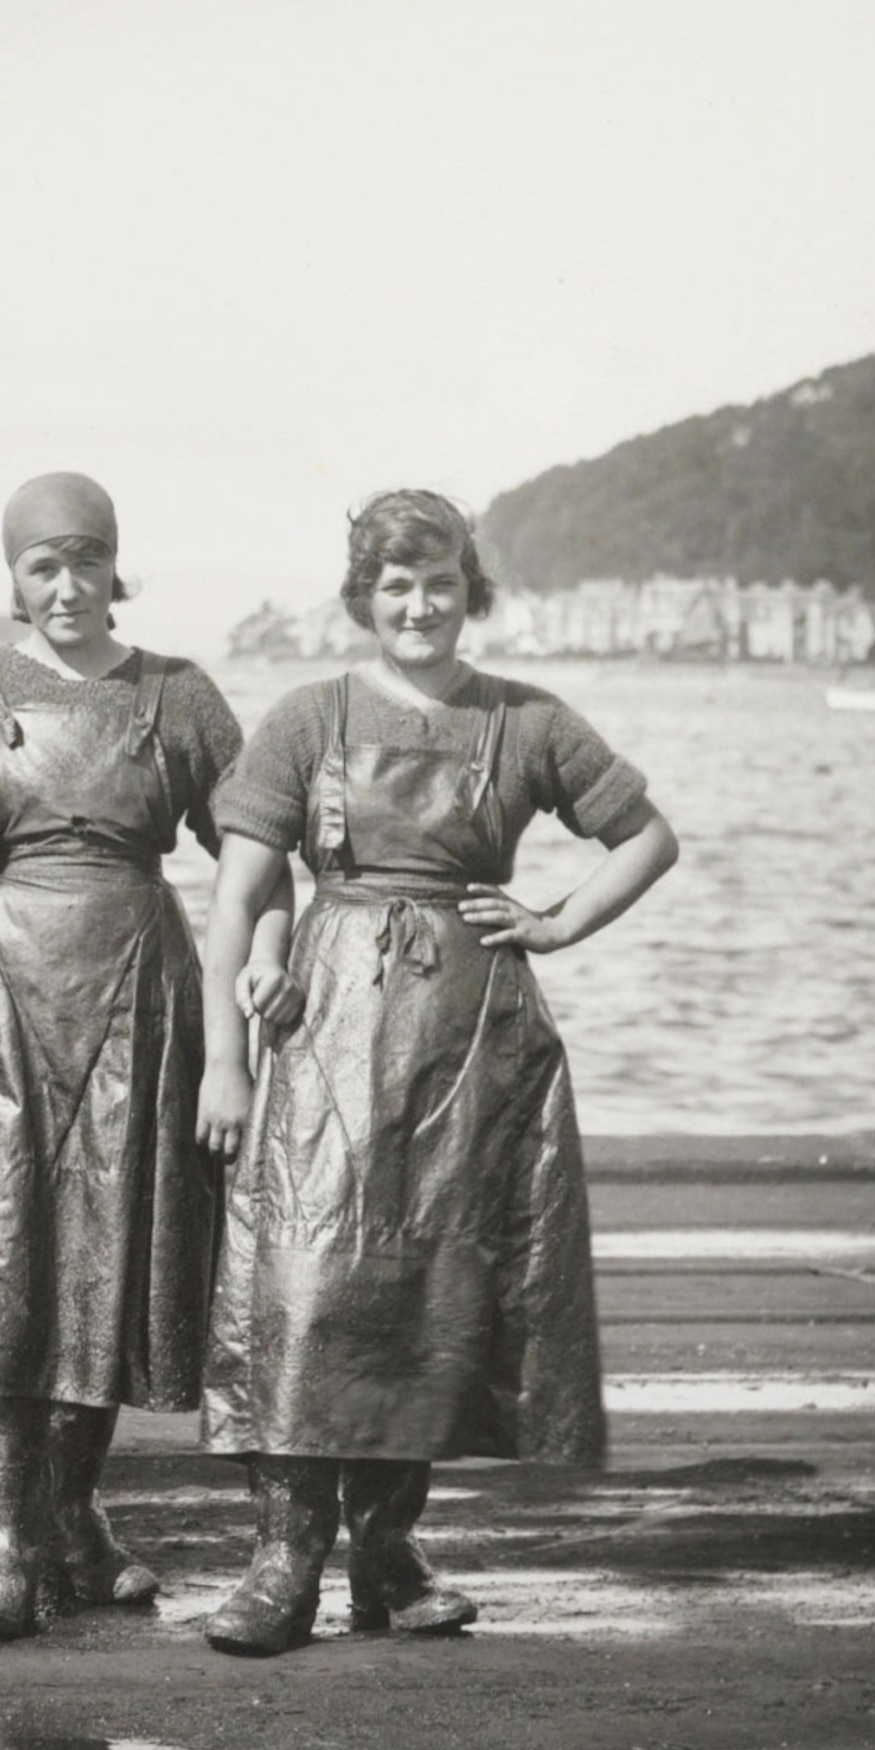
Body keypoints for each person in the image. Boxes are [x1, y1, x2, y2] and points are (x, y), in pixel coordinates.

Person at [194, 489, 680, 1655]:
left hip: (471, 1042)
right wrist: (225, 1054)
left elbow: (650, 840)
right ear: (363, 599)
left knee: (433, 1289)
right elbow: (240, 893)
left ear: (471, 596)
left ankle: (389, 1555)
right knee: (305, 1285)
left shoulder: (527, 721)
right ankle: (282, 1557)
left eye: (441, 586)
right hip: (322, 1031)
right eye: (396, 587)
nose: (420, 607)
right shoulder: (308, 718)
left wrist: (556, 925)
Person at [0, 471, 275, 1640]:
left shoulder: (177, 695)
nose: (66, 585)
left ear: (113, 565)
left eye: (86, 560)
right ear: (14, 579)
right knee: (6, 1248)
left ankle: (70, 1516)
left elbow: (252, 854)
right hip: (11, 980)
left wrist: (259, 978)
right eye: (42, 565)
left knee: (110, 1247)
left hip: (141, 979)